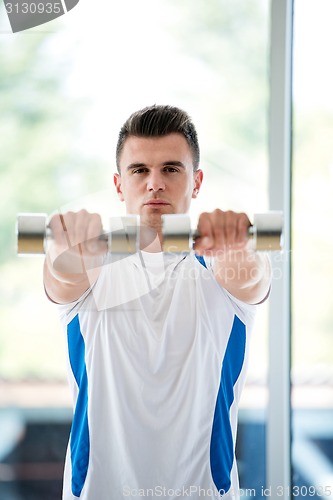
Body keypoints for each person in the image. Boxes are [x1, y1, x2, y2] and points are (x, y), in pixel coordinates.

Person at [44, 104, 271, 500]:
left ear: (196, 181)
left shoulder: (224, 265)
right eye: (139, 171)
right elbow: (61, 275)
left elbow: (252, 274)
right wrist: (65, 247)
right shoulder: (89, 263)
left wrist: (238, 243)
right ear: (119, 185)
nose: (154, 184)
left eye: (170, 169)